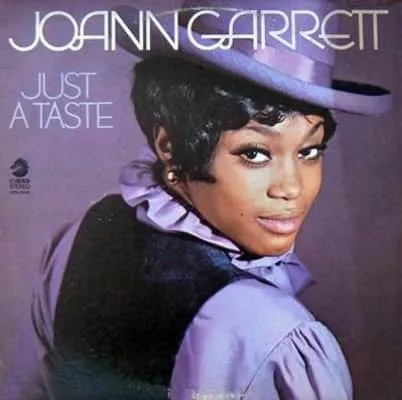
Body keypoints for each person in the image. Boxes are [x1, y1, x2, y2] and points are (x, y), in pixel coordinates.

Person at [1, 0, 392, 399]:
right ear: (169, 145)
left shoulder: (74, 243)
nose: (291, 187)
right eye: (255, 153)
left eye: (309, 151)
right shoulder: (277, 335)